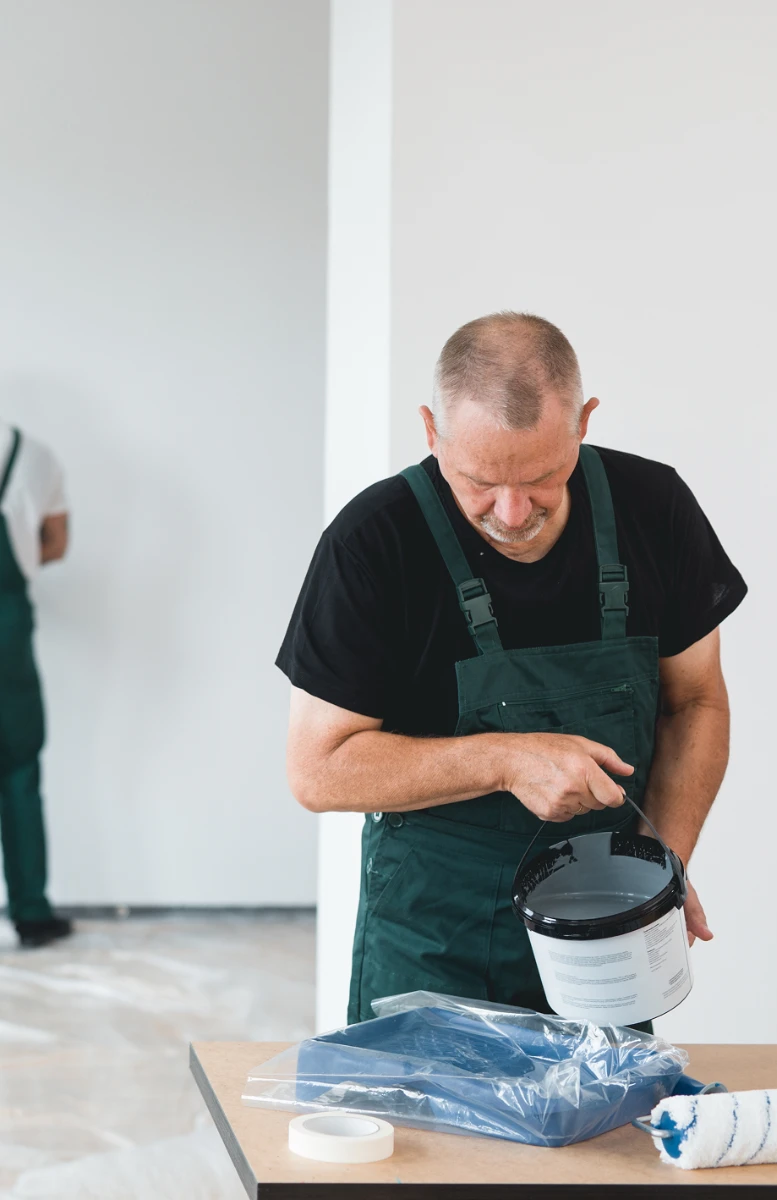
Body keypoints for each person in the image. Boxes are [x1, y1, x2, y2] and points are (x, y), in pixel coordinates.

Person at [278, 312, 747, 1028]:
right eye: (477, 481)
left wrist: (658, 870)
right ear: (431, 430)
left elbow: (695, 704)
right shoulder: (373, 543)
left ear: (583, 422)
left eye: (541, 478)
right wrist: (504, 760)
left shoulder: (655, 510)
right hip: (435, 937)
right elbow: (317, 770)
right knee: (431, 1139)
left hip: (606, 933)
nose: (510, 511)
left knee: (600, 1136)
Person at [0, 421, 72, 948]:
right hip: (7, 622)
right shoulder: (36, 455)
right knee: (19, 767)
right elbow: (55, 543)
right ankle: (31, 914)